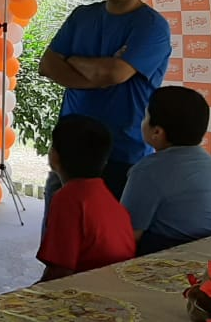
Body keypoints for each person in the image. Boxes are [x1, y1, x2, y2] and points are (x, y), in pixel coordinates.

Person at [39, 0, 171, 213]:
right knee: (59, 234)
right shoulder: (82, 16)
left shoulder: (152, 26)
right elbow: (48, 65)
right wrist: (100, 76)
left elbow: (114, 73)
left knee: (111, 238)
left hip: (122, 154)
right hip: (71, 149)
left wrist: (73, 61)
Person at [122, 86, 211, 255]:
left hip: (184, 260)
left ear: (157, 132)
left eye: (145, 117)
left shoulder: (148, 170)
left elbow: (127, 235)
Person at [35, 115, 136, 282]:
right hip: (116, 282)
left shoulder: (68, 199)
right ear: (104, 162)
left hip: (90, 287)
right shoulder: (105, 196)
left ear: (54, 156)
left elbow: (60, 271)